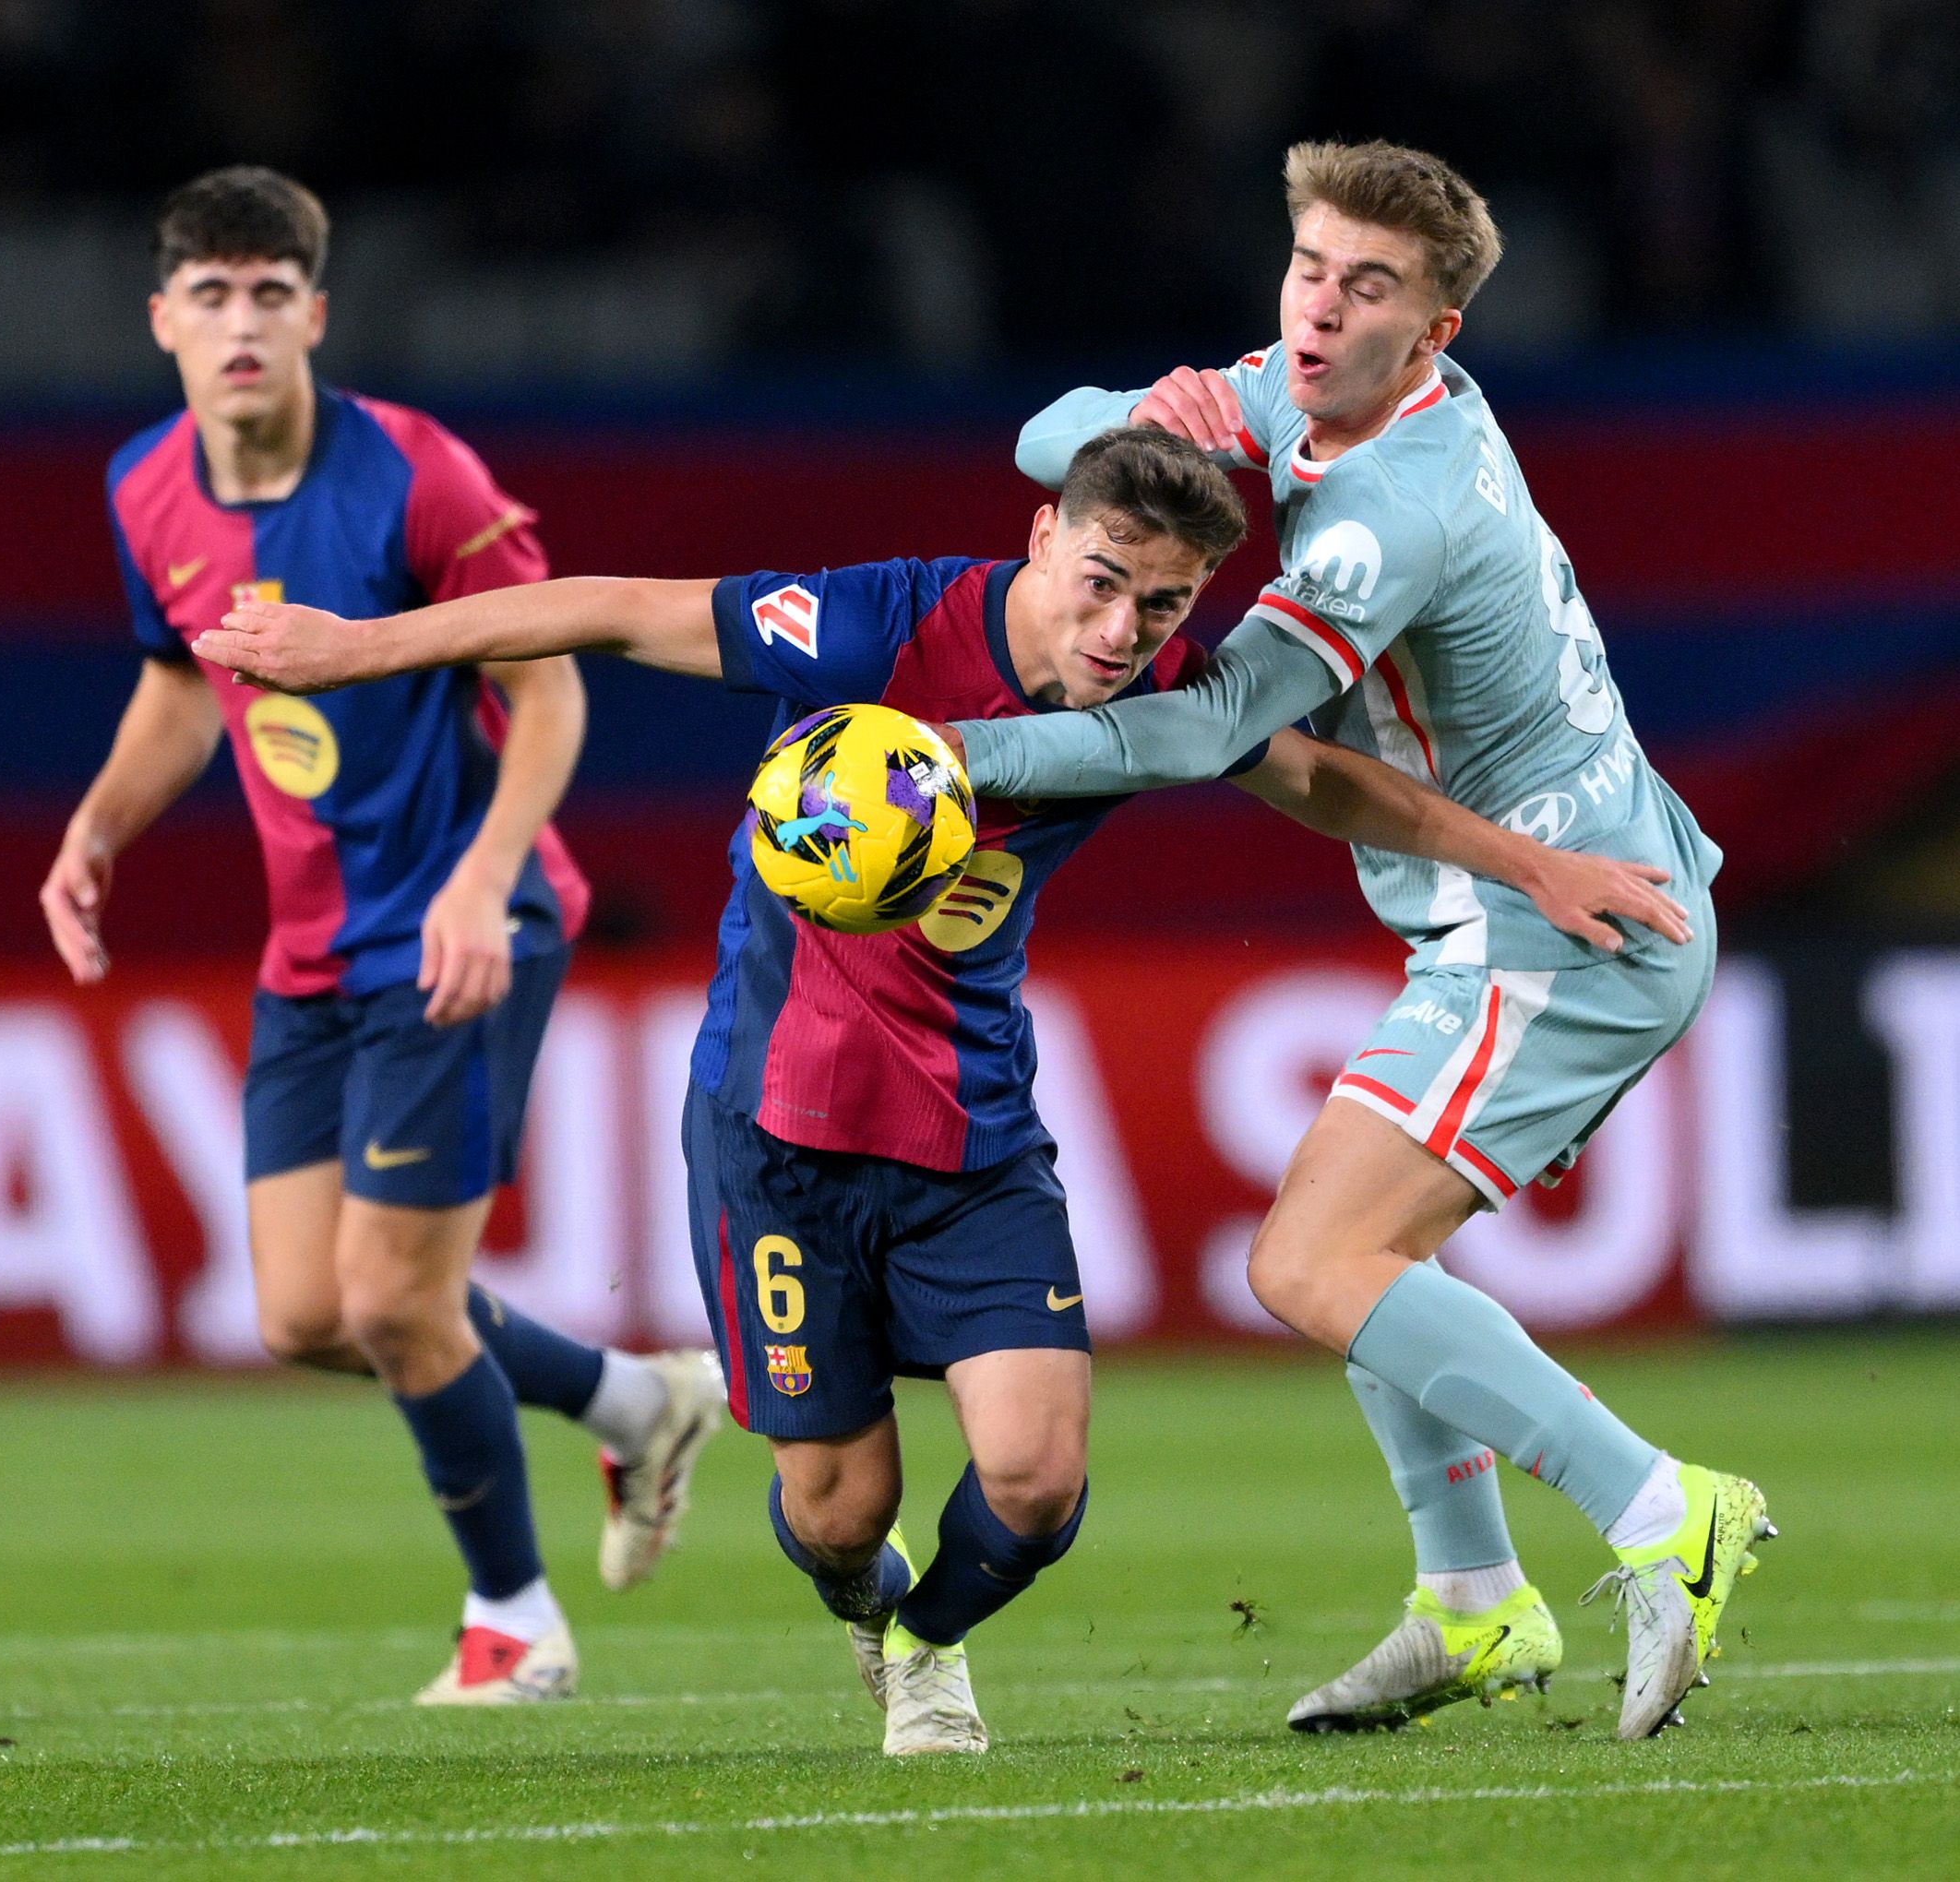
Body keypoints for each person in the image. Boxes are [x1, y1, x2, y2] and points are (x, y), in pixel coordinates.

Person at [191, 425, 1685, 1755]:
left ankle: (927, 1651)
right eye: (1098, 581)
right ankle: (866, 1600)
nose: (1119, 630)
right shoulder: (878, 619)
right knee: (834, 1516)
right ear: (1042, 534)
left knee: (1032, 1479)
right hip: (771, 1129)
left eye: (1159, 604)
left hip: (968, 1128)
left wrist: (1530, 862)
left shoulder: (1167, 690)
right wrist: (356, 647)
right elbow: (611, 610)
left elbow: (1321, 780)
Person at [969, 140, 1768, 1743]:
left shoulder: (1380, 516)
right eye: (1309, 271)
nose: (1320, 312)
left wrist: (955, 759)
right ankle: (1469, 1603)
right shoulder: (1320, 387)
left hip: (1559, 916)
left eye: (1370, 288)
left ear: (1438, 330)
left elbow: (1202, 736)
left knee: (1305, 1262)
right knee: (1359, 1259)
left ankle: (1661, 1510)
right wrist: (1156, 413)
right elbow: (1044, 441)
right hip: (1525, 901)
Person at [42, 166, 724, 1707]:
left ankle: (514, 1624)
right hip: (312, 951)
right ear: (161, 320)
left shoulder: (420, 479)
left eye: (268, 295)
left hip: (463, 926)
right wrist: (94, 832)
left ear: (314, 315)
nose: (238, 324)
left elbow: (551, 689)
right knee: (301, 1314)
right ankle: (632, 1400)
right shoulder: (142, 486)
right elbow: (177, 684)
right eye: (207, 296)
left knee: (393, 1304)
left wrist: (484, 881)